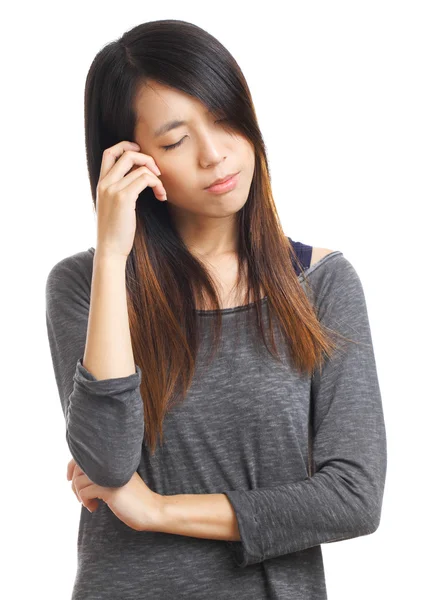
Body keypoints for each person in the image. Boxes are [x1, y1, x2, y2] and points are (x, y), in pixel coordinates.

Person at [45, 19, 387, 600]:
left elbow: (353, 497)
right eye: (176, 140)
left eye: (226, 118)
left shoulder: (322, 285)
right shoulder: (83, 284)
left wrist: (156, 510)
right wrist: (111, 255)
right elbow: (106, 460)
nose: (215, 154)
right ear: (130, 160)